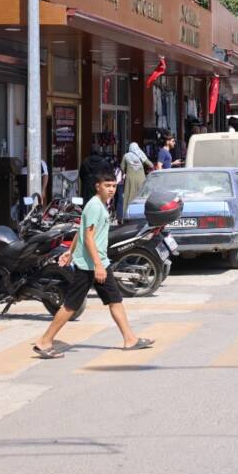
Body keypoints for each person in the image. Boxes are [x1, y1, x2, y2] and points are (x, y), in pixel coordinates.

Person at [33, 172, 152, 358]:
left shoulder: (99, 206)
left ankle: (130, 339)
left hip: (96, 262)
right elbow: (88, 238)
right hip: (91, 265)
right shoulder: (95, 206)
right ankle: (44, 341)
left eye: (113, 186)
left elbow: (81, 231)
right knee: (71, 305)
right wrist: (97, 265)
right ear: (98, 186)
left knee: (115, 299)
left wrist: (70, 253)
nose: (111, 189)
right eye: (107, 186)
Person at [120, 142, 153, 216]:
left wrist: (126, 171)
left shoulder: (126, 156)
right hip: (141, 179)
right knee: (141, 197)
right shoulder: (141, 154)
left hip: (130, 180)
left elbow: (122, 168)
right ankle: (142, 214)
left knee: (128, 197)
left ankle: (126, 215)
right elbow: (150, 165)